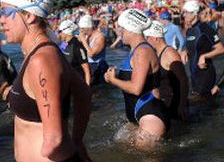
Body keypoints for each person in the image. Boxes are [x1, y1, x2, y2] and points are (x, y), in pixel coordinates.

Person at [0, 0, 92, 162]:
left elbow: (53, 138)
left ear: (28, 15)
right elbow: (84, 93)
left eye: (6, 13)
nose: (1, 21)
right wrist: (79, 140)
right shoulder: (43, 52)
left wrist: (71, 143)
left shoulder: (42, 59)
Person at [104, 9, 169, 149]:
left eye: (122, 29)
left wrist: (113, 80)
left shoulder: (142, 51)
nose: (120, 32)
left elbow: (136, 88)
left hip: (150, 116)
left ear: (131, 29)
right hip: (139, 116)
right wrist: (115, 74)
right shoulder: (136, 51)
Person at [144, 21, 189, 121]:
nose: (146, 40)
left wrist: (181, 107)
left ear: (155, 38)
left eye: (147, 38)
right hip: (164, 102)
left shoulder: (170, 54)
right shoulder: (157, 52)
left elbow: (183, 81)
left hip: (173, 104)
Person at [182, 0, 224, 99]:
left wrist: (204, 56)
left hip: (205, 74)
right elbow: (194, 49)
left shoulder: (205, 29)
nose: (184, 15)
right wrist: (185, 52)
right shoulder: (189, 31)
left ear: (194, 13)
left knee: (203, 107)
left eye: (186, 12)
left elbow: (221, 49)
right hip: (194, 74)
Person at [58, 20, 91, 86]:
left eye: (60, 32)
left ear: (66, 32)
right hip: (67, 81)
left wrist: (87, 90)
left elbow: (87, 70)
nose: (59, 34)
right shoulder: (64, 44)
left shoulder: (77, 46)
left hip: (77, 83)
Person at [78, 14, 108, 85]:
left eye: (82, 28)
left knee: (98, 91)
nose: (81, 31)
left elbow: (91, 54)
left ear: (89, 28)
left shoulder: (100, 37)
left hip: (98, 66)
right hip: (89, 66)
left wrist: (84, 41)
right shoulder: (87, 36)